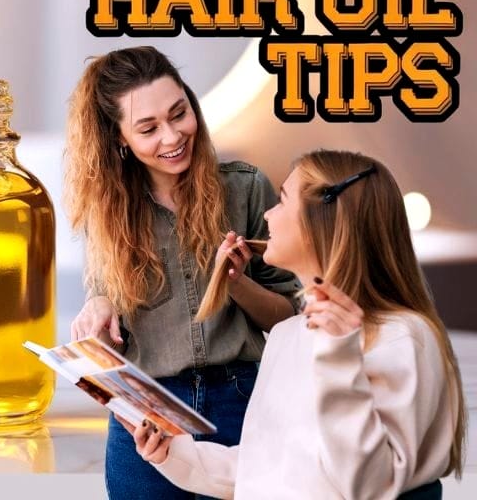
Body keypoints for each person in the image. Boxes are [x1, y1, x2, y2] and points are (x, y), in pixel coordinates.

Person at [124, 150, 467, 500]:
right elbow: (264, 470)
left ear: (323, 222)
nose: (268, 215)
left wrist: (339, 359)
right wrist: (172, 451)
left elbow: (371, 485)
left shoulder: (402, 337)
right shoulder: (288, 334)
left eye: (282, 201)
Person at [64, 46, 300, 499]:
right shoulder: (106, 213)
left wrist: (235, 283)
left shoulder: (246, 188)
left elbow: (287, 317)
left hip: (242, 402)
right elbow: (103, 297)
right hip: (146, 415)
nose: (172, 136)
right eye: (148, 129)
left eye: (179, 114)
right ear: (120, 140)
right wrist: (97, 307)